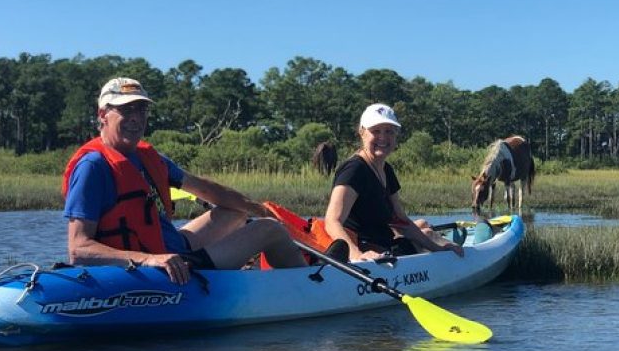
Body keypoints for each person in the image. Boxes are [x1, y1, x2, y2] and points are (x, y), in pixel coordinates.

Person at [62, 77, 308, 284]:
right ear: (103, 115)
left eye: (141, 109)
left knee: (237, 212)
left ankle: (282, 273)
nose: (136, 117)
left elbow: (204, 188)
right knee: (270, 230)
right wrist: (148, 259)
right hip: (159, 266)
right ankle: (309, 288)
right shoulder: (92, 167)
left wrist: (255, 207)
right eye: (126, 110)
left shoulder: (149, 158)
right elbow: (79, 249)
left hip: (173, 247)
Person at [324, 103, 464, 262]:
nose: (383, 137)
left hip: (387, 246)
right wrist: (356, 254)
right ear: (362, 132)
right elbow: (332, 221)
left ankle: (452, 252)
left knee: (426, 232)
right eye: (376, 131)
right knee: (426, 233)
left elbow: (401, 222)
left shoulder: (386, 170)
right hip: (368, 256)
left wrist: (439, 249)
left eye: (389, 131)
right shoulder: (354, 170)